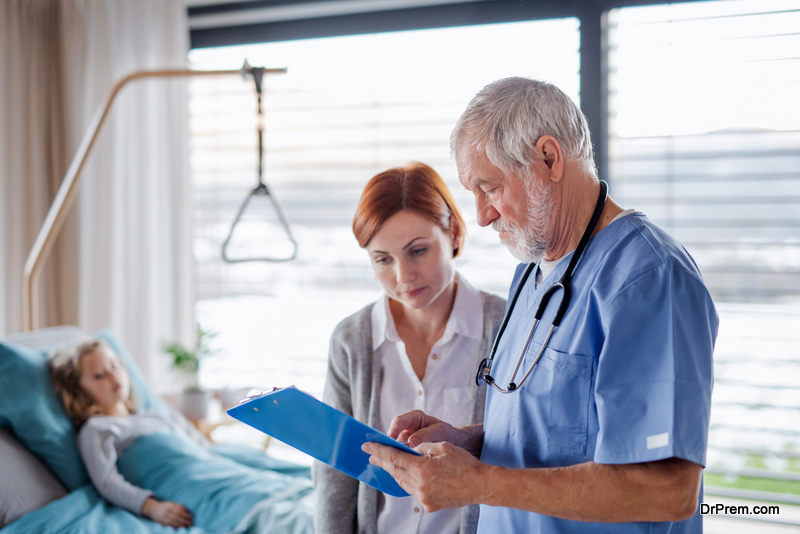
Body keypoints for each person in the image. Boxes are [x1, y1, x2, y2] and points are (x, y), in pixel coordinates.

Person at [362, 78, 718, 533]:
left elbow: (667, 489)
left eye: (489, 188)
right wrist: (467, 443)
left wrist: (479, 483)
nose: (481, 216)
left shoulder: (648, 279)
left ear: (548, 158)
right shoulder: (534, 272)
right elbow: (560, 433)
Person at [312, 162, 507, 534]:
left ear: (453, 232)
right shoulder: (352, 340)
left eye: (417, 251)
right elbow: (334, 472)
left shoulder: (506, 326)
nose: (402, 277)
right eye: (383, 259)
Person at [50, 339, 315, 532]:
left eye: (114, 366)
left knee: (301, 494)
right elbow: (107, 482)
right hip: (188, 483)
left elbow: (198, 444)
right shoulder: (98, 429)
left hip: (215, 468)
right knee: (286, 518)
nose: (112, 375)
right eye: (98, 375)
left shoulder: (151, 414)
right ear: (79, 391)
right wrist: (150, 507)